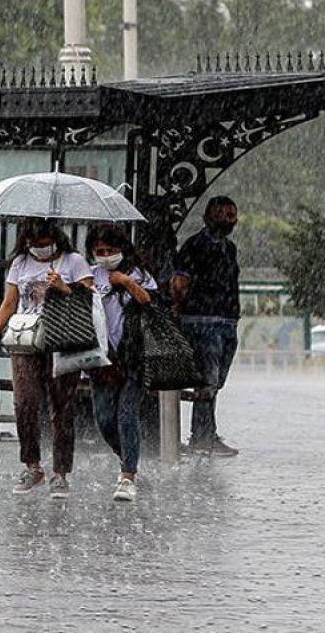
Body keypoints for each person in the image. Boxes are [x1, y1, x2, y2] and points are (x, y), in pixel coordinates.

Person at [0, 218, 93, 499]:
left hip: (62, 340)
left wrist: (65, 287)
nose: (39, 249)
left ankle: (61, 472)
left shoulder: (74, 261)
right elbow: (9, 303)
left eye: (44, 244)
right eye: (34, 244)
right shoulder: (20, 263)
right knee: (24, 403)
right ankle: (32, 465)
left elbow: (92, 299)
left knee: (61, 407)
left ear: (54, 238)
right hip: (26, 340)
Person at [85, 224, 156, 501]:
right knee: (104, 418)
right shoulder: (90, 275)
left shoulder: (138, 273)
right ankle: (127, 455)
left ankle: (128, 475)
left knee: (126, 413)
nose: (105, 255)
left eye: (110, 250)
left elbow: (149, 301)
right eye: (99, 251)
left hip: (134, 356)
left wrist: (125, 281)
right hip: (102, 359)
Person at [170, 196, 241, 456]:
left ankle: (205, 432)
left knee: (216, 381)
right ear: (207, 217)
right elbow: (179, 282)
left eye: (231, 215)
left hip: (227, 321)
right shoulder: (194, 246)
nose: (226, 220)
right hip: (202, 321)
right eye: (221, 214)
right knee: (207, 380)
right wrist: (179, 309)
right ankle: (202, 436)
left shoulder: (229, 248)